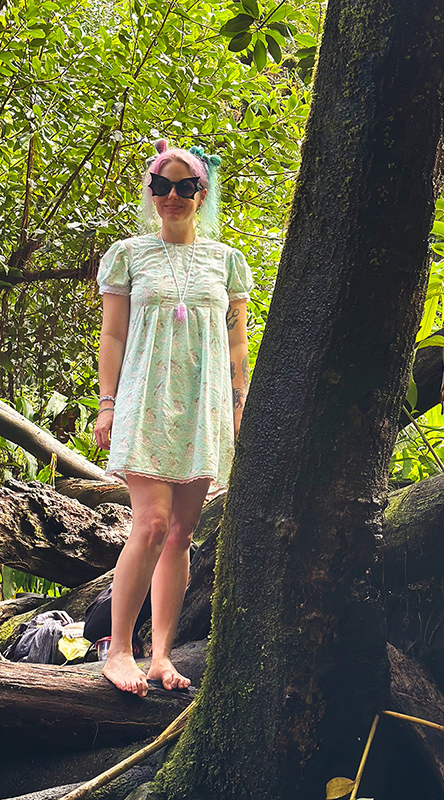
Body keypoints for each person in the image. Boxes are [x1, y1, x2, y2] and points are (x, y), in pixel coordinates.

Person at [94, 140, 253, 696]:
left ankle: (160, 655)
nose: (173, 196)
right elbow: (112, 335)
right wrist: (107, 402)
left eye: (185, 187)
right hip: (145, 401)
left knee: (182, 533)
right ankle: (118, 651)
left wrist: (238, 408)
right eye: (162, 185)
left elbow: (237, 346)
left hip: (203, 408)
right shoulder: (128, 255)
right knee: (152, 524)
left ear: (201, 194)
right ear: (150, 191)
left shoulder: (226, 261)